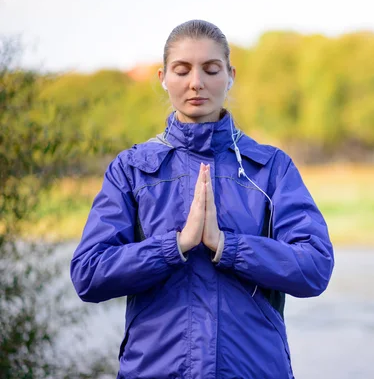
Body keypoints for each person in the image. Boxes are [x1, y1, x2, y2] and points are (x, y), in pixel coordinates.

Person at [70, 19, 335, 379]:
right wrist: (174, 247)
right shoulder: (131, 170)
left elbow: (314, 267)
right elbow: (88, 274)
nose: (196, 83)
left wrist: (230, 247)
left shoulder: (271, 168)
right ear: (163, 77)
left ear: (230, 76)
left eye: (211, 69)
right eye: (182, 70)